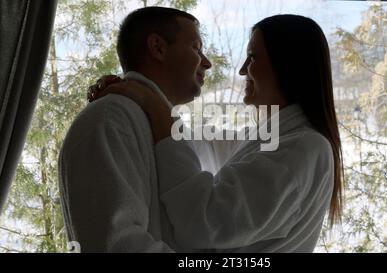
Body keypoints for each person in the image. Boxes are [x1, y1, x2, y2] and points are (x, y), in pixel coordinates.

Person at [90, 14, 344, 252]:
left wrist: (158, 110)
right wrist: (139, 95)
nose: (243, 70)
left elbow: (204, 222)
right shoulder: (270, 139)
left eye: (253, 58)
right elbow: (201, 144)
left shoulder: (304, 148)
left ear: (288, 64)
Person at [58, 6, 212, 252]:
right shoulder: (110, 121)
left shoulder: (161, 126)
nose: (207, 62)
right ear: (158, 48)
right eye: (196, 48)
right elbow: (115, 244)